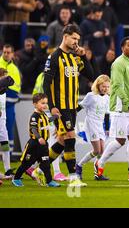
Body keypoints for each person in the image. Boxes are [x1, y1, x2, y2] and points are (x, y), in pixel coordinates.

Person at [43, 24, 94, 188]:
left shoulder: (74, 57)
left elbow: (91, 75)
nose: (76, 42)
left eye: (78, 39)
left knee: (63, 141)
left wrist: (84, 56)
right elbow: (46, 84)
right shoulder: (54, 57)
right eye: (74, 38)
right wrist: (52, 106)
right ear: (65, 36)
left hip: (72, 106)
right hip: (60, 106)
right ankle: (73, 177)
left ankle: (39, 169)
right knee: (70, 138)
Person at [95, 37, 129, 181]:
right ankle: (100, 162)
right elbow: (116, 86)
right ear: (122, 47)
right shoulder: (118, 63)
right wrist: (128, 104)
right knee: (120, 140)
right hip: (120, 108)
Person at [11, 93, 60, 188]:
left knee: (46, 163)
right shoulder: (34, 116)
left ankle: (49, 181)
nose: (45, 105)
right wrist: (39, 138)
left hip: (43, 145)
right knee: (26, 164)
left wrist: (55, 117)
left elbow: (47, 120)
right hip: (34, 145)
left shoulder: (44, 114)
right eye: (42, 103)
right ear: (34, 104)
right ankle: (16, 178)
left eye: (46, 103)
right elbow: (33, 128)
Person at [75, 75, 111, 181]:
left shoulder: (107, 97)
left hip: (100, 125)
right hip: (91, 123)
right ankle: (79, 166)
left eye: (107, 87)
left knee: (102, 151)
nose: (105, 89)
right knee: (97, 150)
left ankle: (98, 173)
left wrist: (107, 128)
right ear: (98, 85)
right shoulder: (91, 96)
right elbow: (80, 107)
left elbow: (107, 114)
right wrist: (71, 117)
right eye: (103, 86)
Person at [0, 44, 21, 152]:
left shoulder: (14, 69)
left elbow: (17, 87)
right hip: (3, 101)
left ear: (12, 54)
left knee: (8, 127)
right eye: (4, 52)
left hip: (8, 104)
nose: (6, 54)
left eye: (8, 52)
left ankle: (9, 153)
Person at [0, 68, 14, 177]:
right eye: (4, 77)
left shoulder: (3, 90)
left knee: (5, 144)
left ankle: (8, 169)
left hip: (2, 122)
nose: (6, 79)